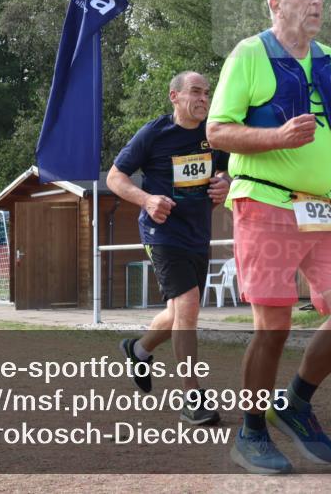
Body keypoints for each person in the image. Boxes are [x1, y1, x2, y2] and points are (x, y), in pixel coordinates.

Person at [206, 0, 331, 474]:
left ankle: (295, 401)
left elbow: (320, 131)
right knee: (273, 326)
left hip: (319, 206)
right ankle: (251, 431)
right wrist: (275, 139)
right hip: (265, 201)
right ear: (275, 5)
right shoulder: (249, 54)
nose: (316, 1)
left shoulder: (330, 60)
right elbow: (216, 130)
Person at [107, 71, 230, 426]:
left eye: (207, 93)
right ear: (174, 96)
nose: (203, 98)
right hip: (161, 234)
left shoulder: (214, 135)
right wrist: (146, 200)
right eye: (195, 91)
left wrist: (225, 183)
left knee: (179, 313)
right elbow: (116, 177)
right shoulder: (154, 134)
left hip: (197, 235)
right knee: (188, 306)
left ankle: (139, 349)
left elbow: (227, 172)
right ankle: (193, 397)